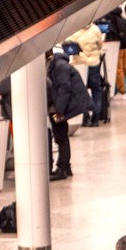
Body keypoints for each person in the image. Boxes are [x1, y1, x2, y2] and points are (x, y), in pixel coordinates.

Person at [44, 50, 86, 180]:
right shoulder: (51, 63)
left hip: (57, 109)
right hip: (55, 107)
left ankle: (63, 168)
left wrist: (60, 111)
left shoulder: (59, 64)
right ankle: (65, 167)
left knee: (61, 136)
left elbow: (64, 88)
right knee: (60, 135)